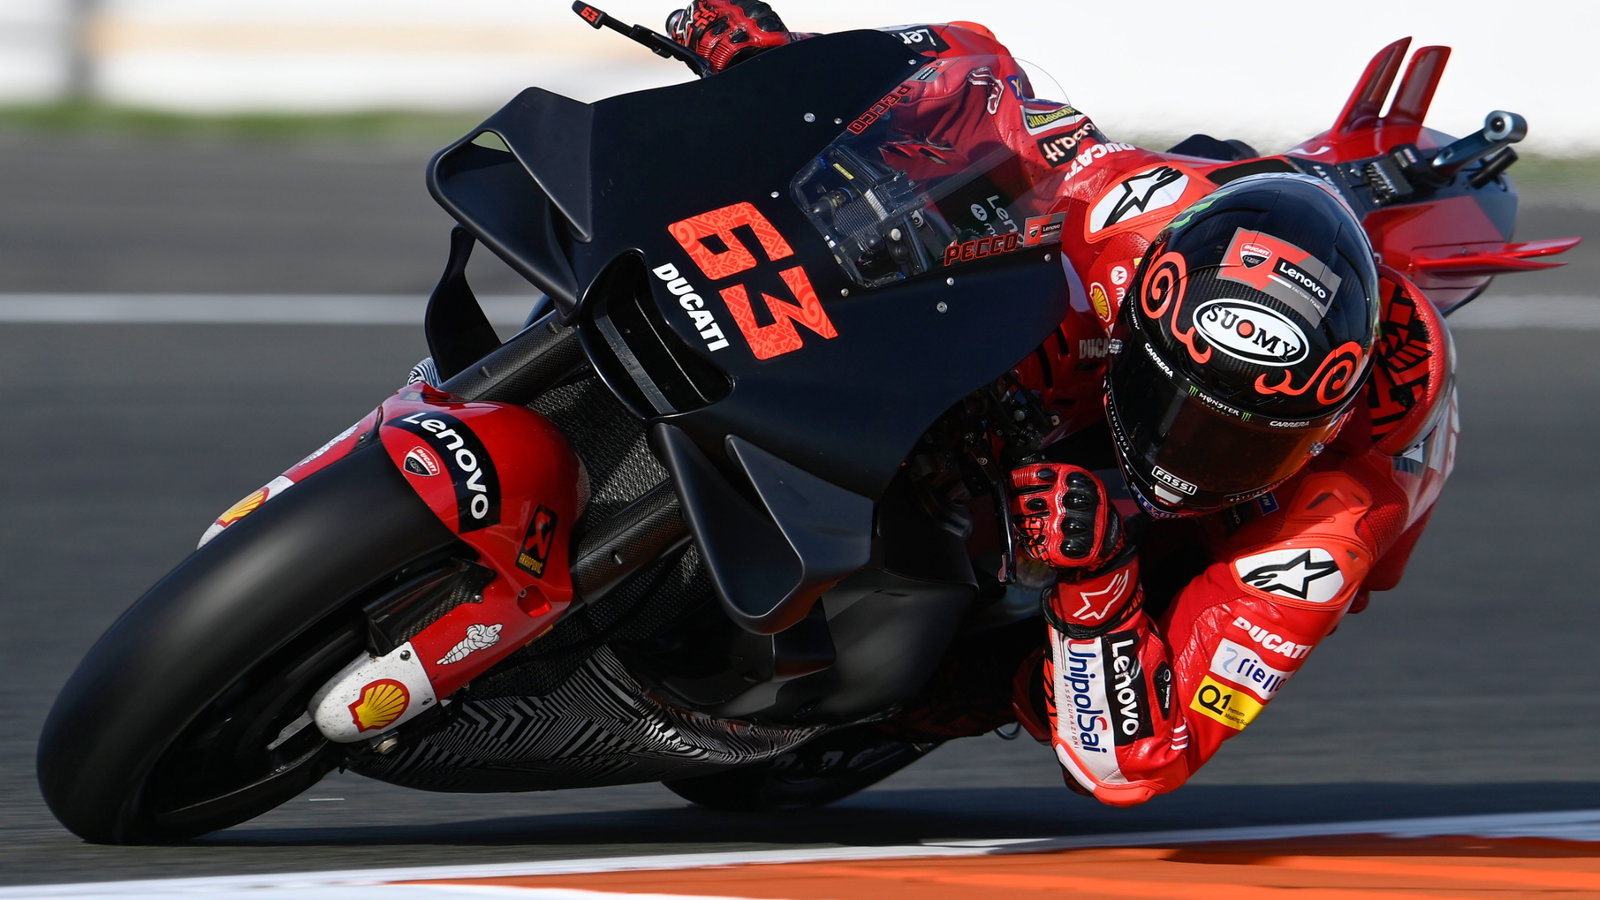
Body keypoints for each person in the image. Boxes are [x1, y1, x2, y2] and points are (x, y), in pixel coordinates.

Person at [666, 2, 1457, 805]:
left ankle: (925, 707)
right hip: (1124, 310)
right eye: (1179, 411)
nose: (1185, 460)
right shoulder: (1124, 212)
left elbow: (1135, 767)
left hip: (1221, 531)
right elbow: (975, 83)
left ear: (1315, 434)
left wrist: (1101, 579)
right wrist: (787, 64)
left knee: (1028, 683)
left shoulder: (1336, 513)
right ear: (1149, 307)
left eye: (1237, 445)